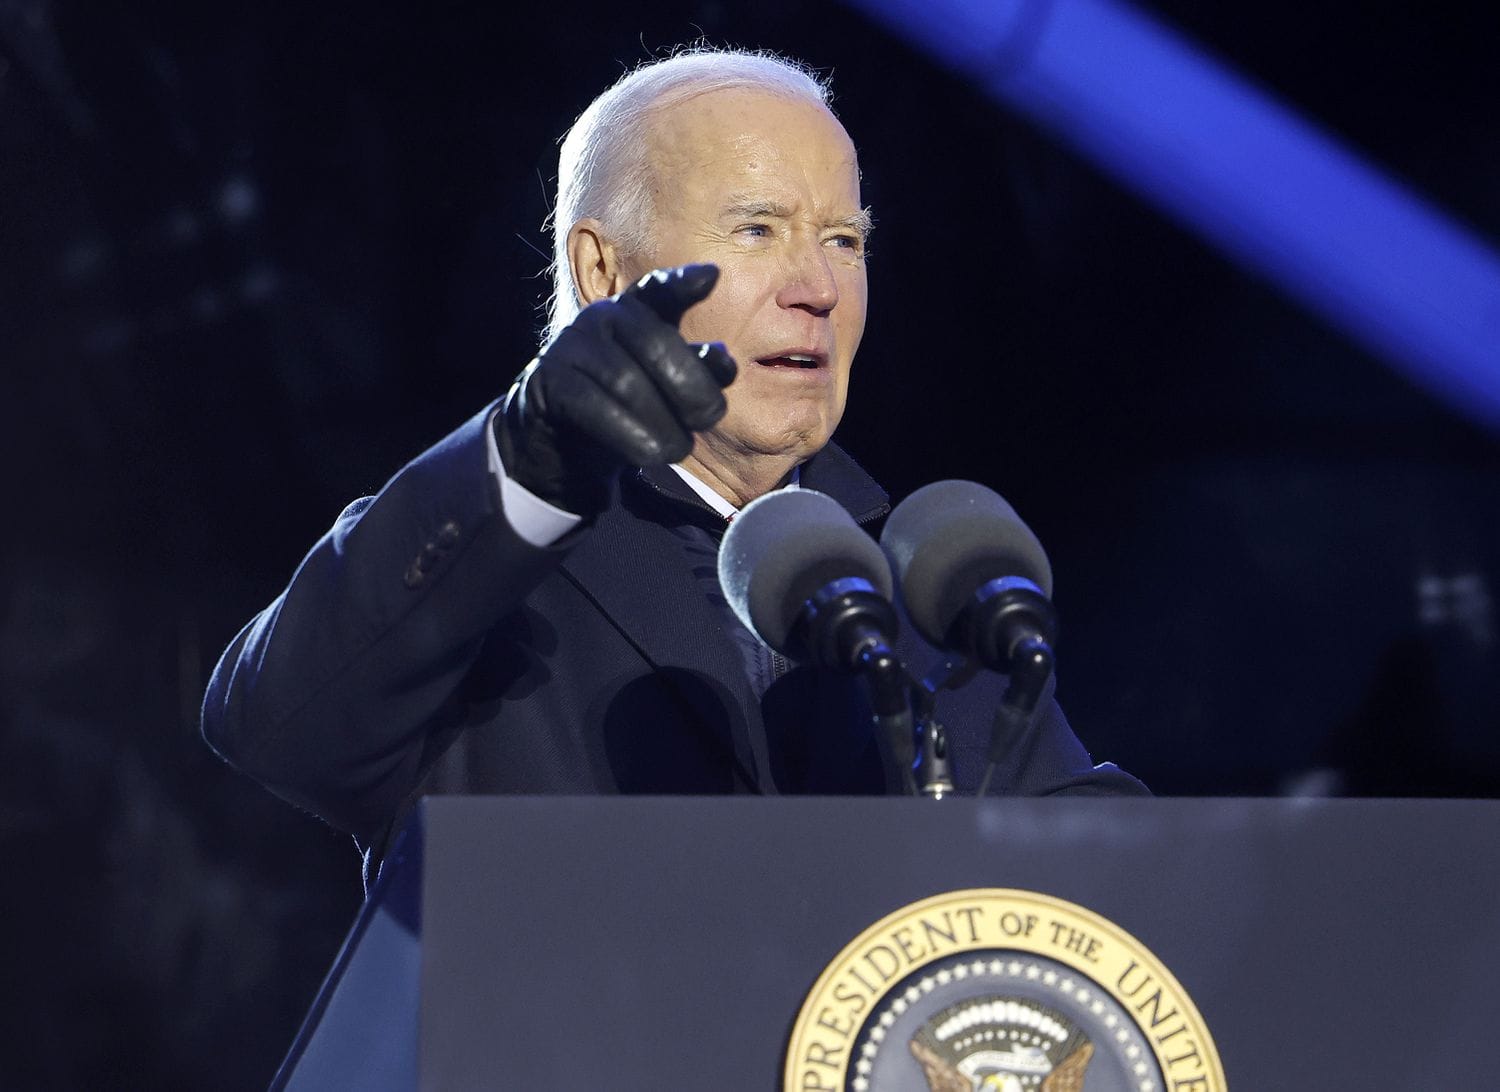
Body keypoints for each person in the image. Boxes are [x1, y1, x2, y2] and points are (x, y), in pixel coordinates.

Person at [201, 48, 1146, 888]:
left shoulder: (926, 595)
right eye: (758, 230)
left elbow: (1096, 896)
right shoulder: (483, 566)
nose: (817, 288)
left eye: (845, 240)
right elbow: (276, 726)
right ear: (603, 273)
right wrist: (529, 457)